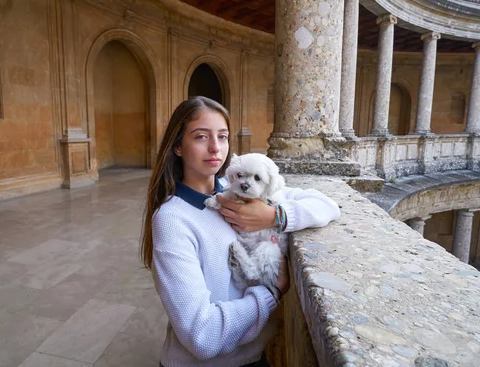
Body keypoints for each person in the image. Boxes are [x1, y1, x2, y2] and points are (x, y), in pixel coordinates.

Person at [140, 96, 340, 367]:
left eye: (222, 137)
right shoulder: (172, 219)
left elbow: (327, 205)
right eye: (201, 137)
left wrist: (275, 215)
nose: (215, 148)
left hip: (254, 354)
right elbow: (202, 336)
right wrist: (270, 294)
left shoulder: (234, 187)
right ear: (177, 146)